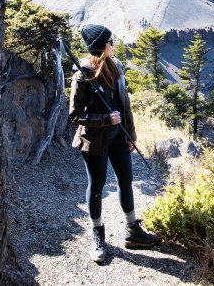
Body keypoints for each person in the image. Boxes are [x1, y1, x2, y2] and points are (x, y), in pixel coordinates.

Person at [69, 23, 160, 264]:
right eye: (110, 41)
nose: (113, 44)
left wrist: (131, 134)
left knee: (126, 180)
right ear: (101, 46)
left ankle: (132, 231)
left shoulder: (117, 65)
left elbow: (125, 104)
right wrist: (104, 119)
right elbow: (76, 115)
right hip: (94, 141)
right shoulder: (82, 75)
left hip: (119, 137)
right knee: (97, 185)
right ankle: (98, 234)